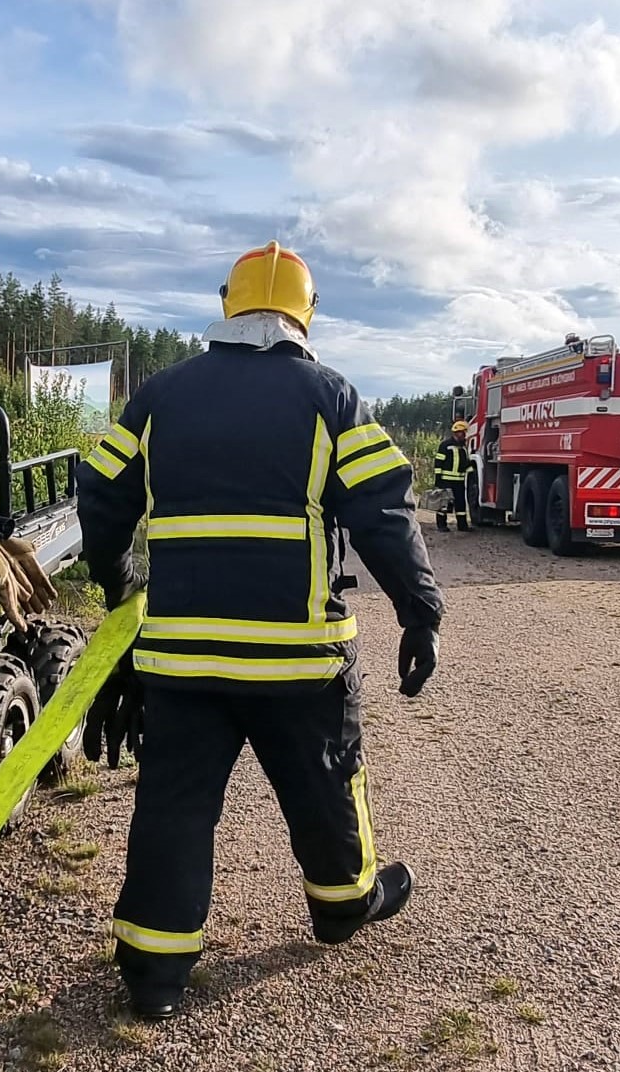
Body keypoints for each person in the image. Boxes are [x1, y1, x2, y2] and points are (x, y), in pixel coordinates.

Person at [77, 240, 445, 1021]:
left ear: (229, 303)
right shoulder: (331, 397)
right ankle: (343, 904)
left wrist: (120, 583)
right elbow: (385, 512)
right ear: (307, 314)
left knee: (174, 807)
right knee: (327, 782)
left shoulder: (160, 397)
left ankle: (154, 971)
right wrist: (421, 612)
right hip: (298, 662)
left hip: (181, 660)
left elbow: (100, 491)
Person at [434, 421, 473, 532]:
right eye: (463, 432)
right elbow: (438, 463)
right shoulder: (445, 445)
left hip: (459, 481)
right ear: (457, 432)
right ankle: (441, 526)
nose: (464, 435)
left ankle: (462, 526)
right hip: (446, 481)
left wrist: (472, 472)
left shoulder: (463, 447)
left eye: (464, 432)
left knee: (461, 505)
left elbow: (465, 463)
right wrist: (438, 480)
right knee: (444, 504)